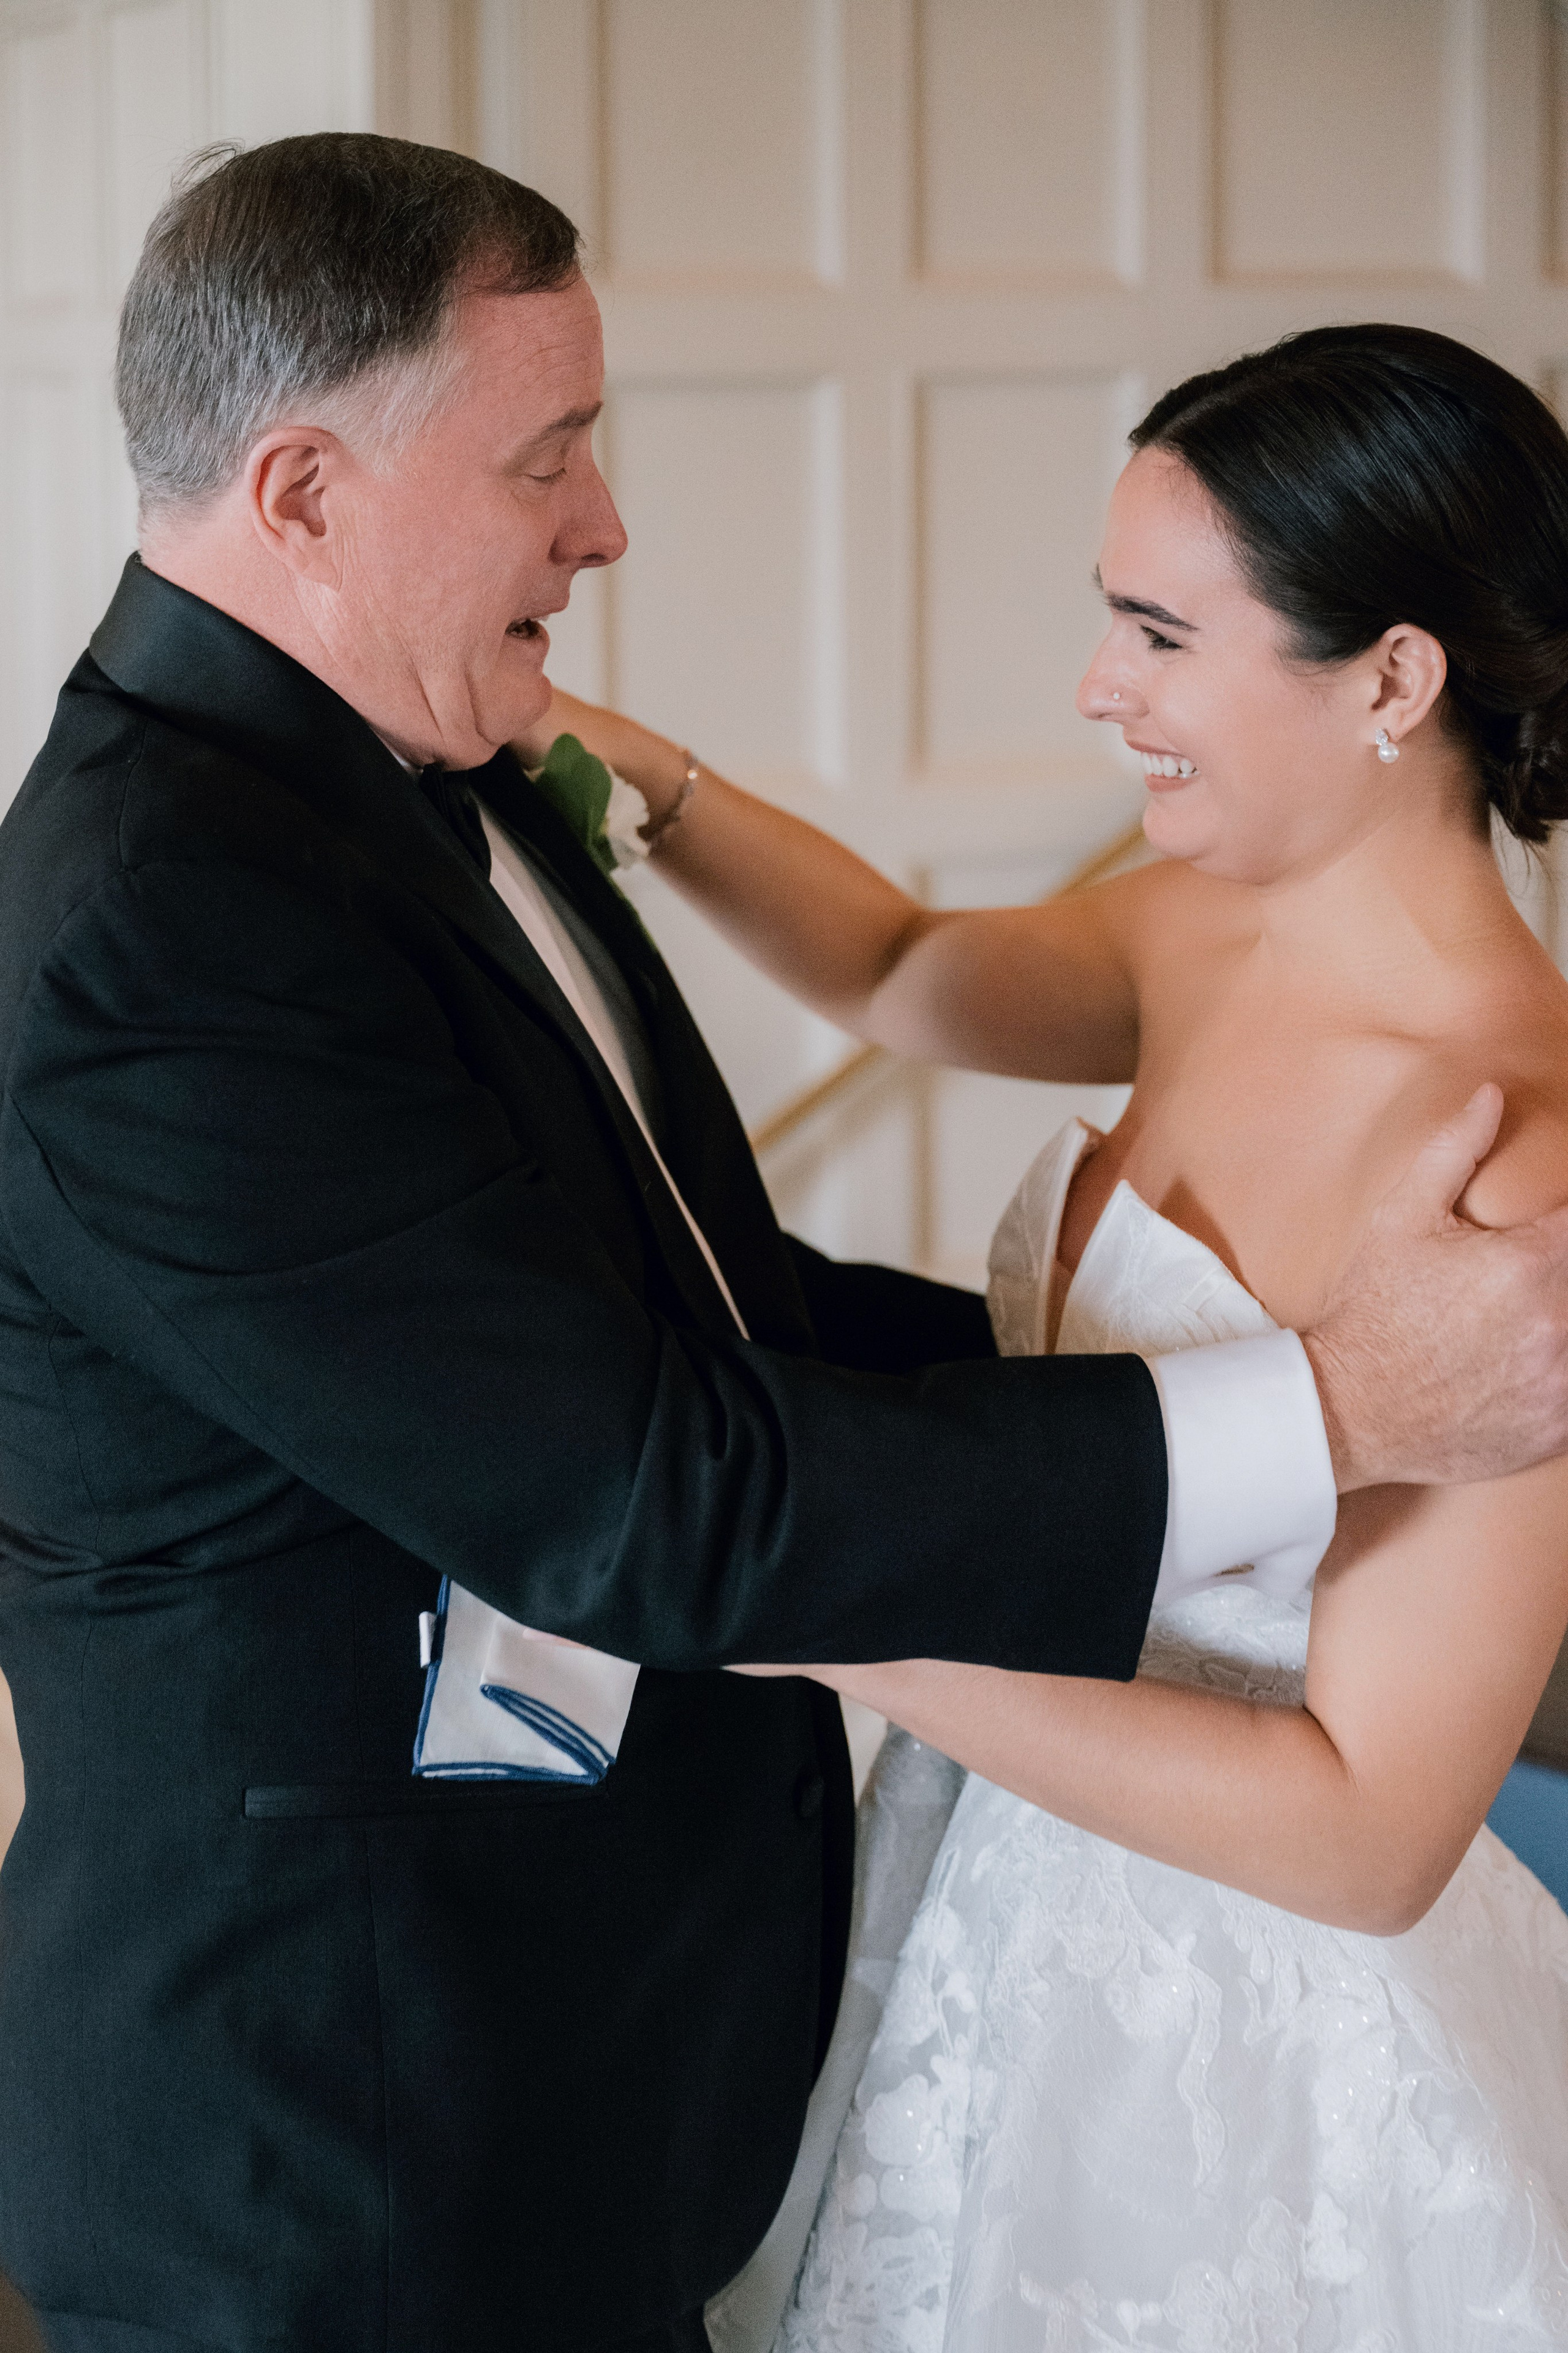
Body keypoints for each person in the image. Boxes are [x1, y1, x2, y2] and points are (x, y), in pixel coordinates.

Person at [0, 133, 1563, 2352]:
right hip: (333, 2131)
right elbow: (665, 1474)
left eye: (1156, 631)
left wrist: (865, 1606)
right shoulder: (172, 926)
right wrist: (1324, 1409)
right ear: (306, 500)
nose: (609, 521)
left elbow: (718, 1324)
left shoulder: (377, 794)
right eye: (549, 452)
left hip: (1129, 2045)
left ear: (1390, 679)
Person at [536, 325, 1568, 2348]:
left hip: (1245, 2055)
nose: (1104, 691)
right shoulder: (1196, 933)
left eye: (1159, 636)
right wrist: (612, 763)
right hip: (982, 1884)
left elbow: (1369, 1833)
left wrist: (823, 1603)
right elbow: (905, 966)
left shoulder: (1515, 1155)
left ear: (1392, 678)